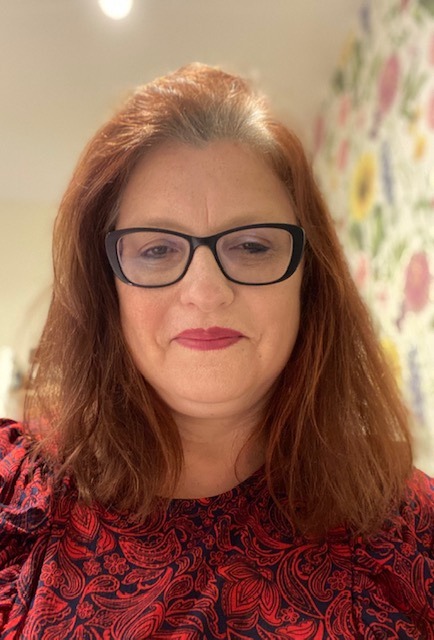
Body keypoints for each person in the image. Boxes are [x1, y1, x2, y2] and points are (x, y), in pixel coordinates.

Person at [0, 63, 433, 640]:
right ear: (108, 290)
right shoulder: (16, 500)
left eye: (251, 245)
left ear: (309, 280)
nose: (205, 292)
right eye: (156, 249)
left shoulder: (411, 532)